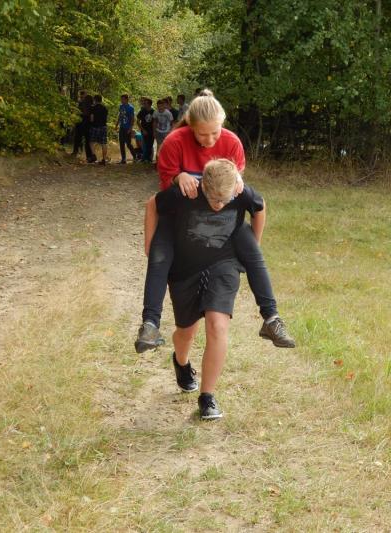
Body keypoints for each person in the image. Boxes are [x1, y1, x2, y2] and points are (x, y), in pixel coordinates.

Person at [135, 90, 295, 353]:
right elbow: (160, 197)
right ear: (190, 126)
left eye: (215, 133)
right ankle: (150, 324)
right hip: (180, 216)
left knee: (254, 253)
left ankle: (272, 318)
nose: (210, 140)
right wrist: (178, 177)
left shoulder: (232, 143)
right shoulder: (175, 142)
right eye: (202, 134)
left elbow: (239, 191)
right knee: (159, 257)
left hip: (224, 218)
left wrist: (250, 244)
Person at [145, 159, 267, 419]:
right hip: (185, 267)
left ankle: (207, 397)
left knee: (217, 324)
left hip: (224, 263)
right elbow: (153, 204)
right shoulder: (187, 192)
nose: (219, 206)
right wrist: (149, 246)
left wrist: (252, 246)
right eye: (214, 201)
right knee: (186, 332)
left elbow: (260, 206)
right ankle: (180, 362)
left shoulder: (237, 190)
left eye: (224, 202)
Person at [72, 90, 94, 162]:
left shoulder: (82, 103)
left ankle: (77, 153)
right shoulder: (88, 104)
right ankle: (88, 156)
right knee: (85, 140)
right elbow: (91, 115)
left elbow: (77, 112)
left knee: (79, 138)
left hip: (82, 122)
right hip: (85, 122)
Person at [116, 94, 136, 164]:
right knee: (121, 143)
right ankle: (123, 159)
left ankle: (135, 156)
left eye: (123, 99)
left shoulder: (130, 108)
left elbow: (132, 119)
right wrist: (116, 125)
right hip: (122, 127)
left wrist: (130, 128)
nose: (121, 100)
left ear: (127, 99)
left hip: (128, 128)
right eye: (121, 99)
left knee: (128, 144)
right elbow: (120, 116)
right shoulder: (121, 106)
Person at [90, 94, 109, 165]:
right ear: (101, 100)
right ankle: (104, 159)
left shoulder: (93, 108)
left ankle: (94, 155)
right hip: (103, 127)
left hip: (95, 127)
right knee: (104, 143)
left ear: (95, 100)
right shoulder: (105, 108)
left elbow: (91, 119)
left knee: (91, 142)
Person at [137, 97, 155, 162]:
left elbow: (155, 122)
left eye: (146, 103)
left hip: (151, 130)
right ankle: (145, 158)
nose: (144, 104)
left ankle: (149, 159)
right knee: (145, 144)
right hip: (144, 130)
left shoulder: (153, 112)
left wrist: (154, 131)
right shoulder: (142, 111)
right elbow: (138, 121)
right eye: (144, 103)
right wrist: (143, 129)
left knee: (150, 145)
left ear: (149, 104)